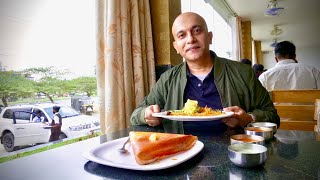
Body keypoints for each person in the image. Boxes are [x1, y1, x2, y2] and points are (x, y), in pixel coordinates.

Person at [130, 12, 279, 134]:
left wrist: (248, 118)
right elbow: (135, 115)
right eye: (182, 35)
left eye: (197, 31)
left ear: (209, 37)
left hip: (232, 151)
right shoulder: (168, 78)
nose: (190, 39)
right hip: (180, 154)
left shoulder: (243, 72)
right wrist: (147, 114)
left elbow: (272, 116)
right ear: (176, 46)